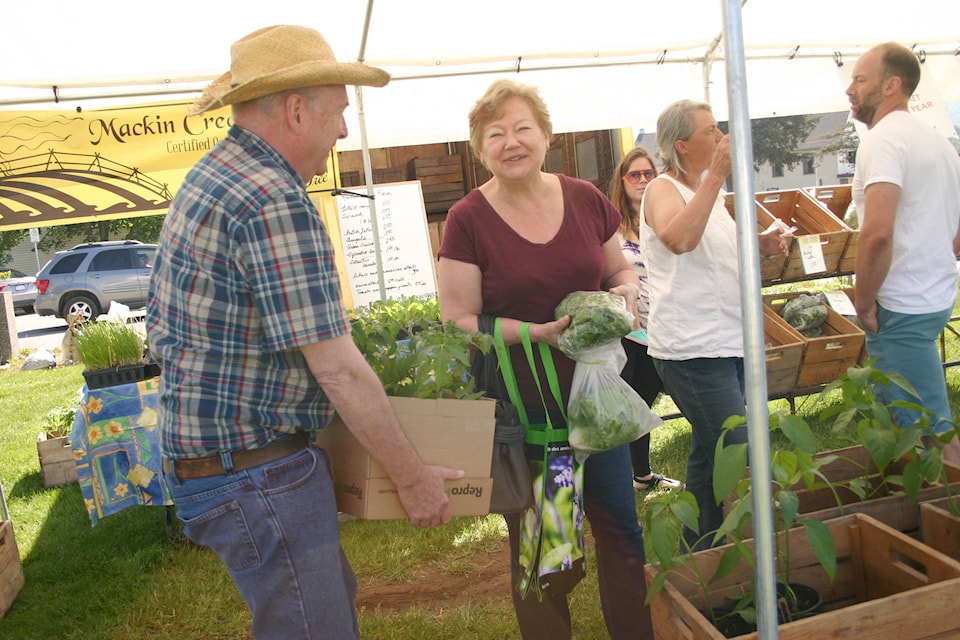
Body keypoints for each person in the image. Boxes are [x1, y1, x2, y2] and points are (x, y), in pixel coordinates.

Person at [146, 25, 463, 640]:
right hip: (257, 475)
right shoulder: (273, 200)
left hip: (222, 465)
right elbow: (338, 369)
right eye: (339, 112)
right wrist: (413, 477)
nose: (345, 131)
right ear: (295, 110)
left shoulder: (216, 174)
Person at [438, 78, 653, 640]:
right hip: (535, 416)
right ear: (479, 148)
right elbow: (458, 318)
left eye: (522, 128)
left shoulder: (585, 198)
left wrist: (627, 290)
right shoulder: (468, 219)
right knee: (546, 553)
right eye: (496, 133)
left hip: (597, 404)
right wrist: (535, 332)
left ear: (546, 134)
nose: (511, 142)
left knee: (621, 532)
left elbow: (619, 270)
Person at [640, 99, 789, 549]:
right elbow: (681, 238)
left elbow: (716, 251)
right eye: (711, 130)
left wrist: (759, 244)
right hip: (693, 350)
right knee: (738, 447)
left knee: (710, 452)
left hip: (728, 342)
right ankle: (742, 546)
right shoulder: (662, 189)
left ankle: (697, 548)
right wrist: (719, 177)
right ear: (682, 146)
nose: (721, 136)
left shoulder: (708, 191)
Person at [847, 42, 960, 463]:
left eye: (860, 79)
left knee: (931, 434)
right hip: (933, 296)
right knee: (914, 426)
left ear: (892, 85)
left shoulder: (885, 140)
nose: (850, 89)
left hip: (902, 305)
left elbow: (877, 232)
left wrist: (864, 300)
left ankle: (946, 517)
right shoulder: (936, 141)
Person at [608, 146, 683, 492]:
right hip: (628, 329)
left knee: (648, 397)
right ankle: (629, 476)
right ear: (622, 182)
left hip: (662, 324)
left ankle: (640, 474)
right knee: (629, 402)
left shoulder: (665, 218)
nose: (641, 180)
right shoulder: (613, 227)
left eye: (648, 174)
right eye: (633, 175)